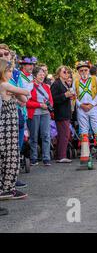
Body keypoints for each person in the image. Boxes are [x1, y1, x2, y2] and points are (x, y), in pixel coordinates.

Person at [0, 59, 30, 200]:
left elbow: (24, 100)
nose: (12, 73)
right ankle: (6, 187)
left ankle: (9, 187)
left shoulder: (8, 85)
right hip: (6, 126)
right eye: (10, 71)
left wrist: (16, 92)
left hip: (12, 125)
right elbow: (26, 91)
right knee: (8, 156)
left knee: (12, 155)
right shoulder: (4, 85)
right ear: (3, 71)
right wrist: (16, 88)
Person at [73, 61, 97, 161]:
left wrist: (91, 104)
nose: (83, 72)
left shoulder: (95, 79)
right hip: (81, 109)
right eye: (81, 70)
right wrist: (81, 105)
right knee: (83, 131)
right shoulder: (76, 82)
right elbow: (74, 96)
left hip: (94, 108)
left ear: (89, 70)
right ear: (78, 72)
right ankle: (85, 152)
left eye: (85, 70)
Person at [26, 66, 54, 166]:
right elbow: (27, 102)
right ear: (35, 76)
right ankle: (34, 157)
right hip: (34, 113)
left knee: (46, 135)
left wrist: (48, 105)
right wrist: (39, 105)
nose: (42, 76)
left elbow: (51, 100)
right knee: (34, 136)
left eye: (43, 74)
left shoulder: (46, 87)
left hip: (45, 113)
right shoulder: (30, 86)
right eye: (40, 75)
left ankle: (46, 158)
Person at [51, 66, 75, 163]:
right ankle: (61, 156)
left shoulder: (64, 83)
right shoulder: (56, 84)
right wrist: (65, 95)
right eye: (64, 72)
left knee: (64, 134)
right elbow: (53, 99)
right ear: (59, 73)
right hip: (60, 113)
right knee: (64, 134)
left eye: (68, 72)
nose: (67, 73)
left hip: (65, 112)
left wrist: (69, 96)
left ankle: (59, 155)